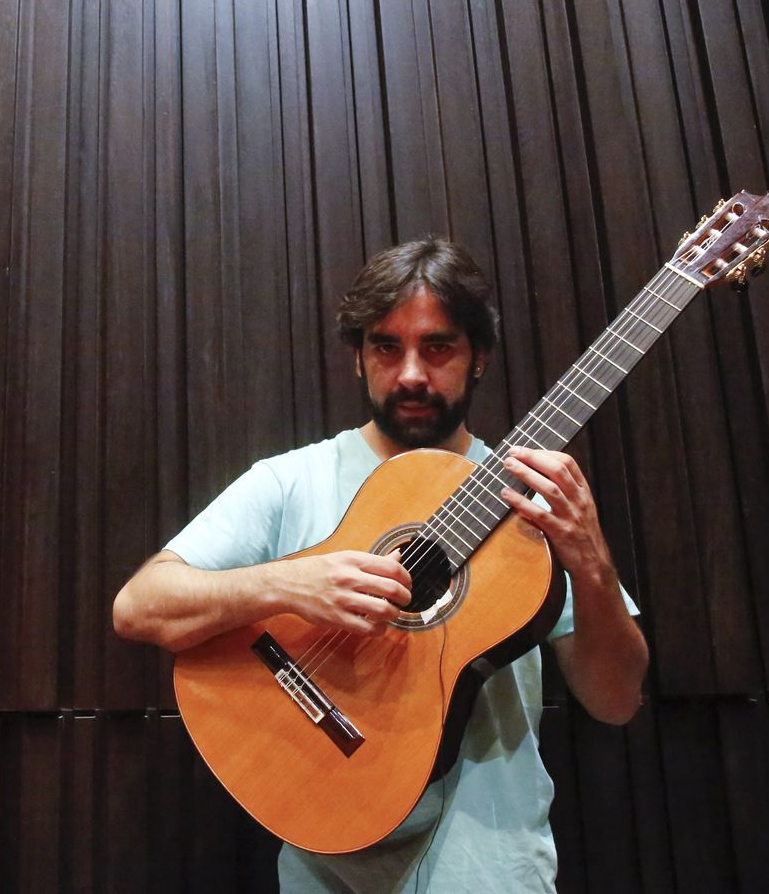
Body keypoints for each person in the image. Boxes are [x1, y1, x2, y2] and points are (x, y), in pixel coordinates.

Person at [112, 237, 648, 892]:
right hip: (323, 853)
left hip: (490, 860)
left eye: (439, 346)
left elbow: (616, 700)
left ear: (479, 358)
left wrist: (590, 560)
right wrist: (285, 583)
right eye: (386, 347)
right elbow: (139, 606)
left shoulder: (528, 508)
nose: (412, 373)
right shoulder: (291, 481)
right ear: (358, 360)